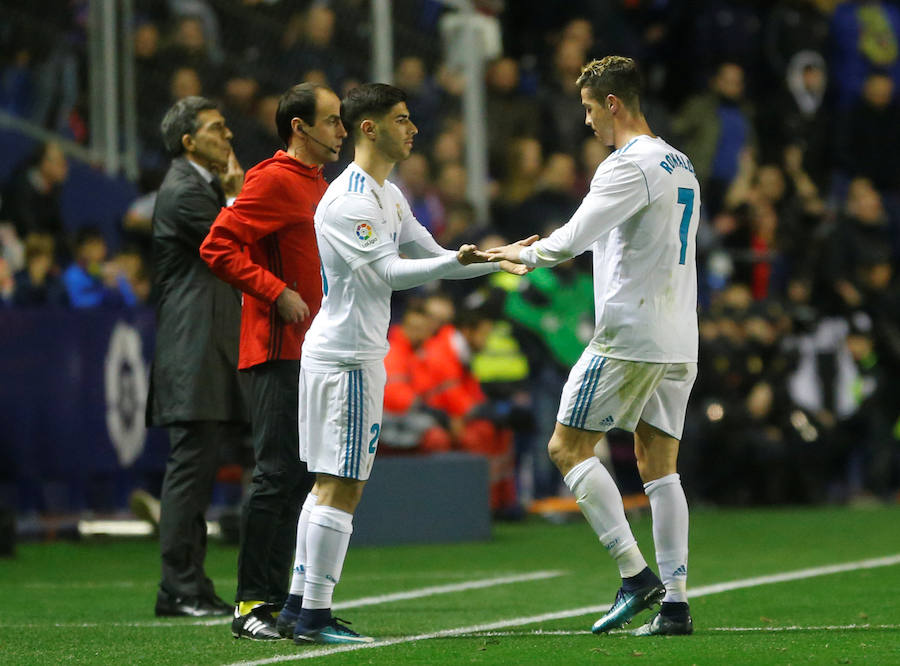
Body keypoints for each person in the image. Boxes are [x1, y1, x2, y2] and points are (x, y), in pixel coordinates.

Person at [280, 83, 529, 645]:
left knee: (330, 484)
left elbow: (434, 257)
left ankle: (298, 607)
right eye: (402, 118)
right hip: (345, 357)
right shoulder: (349, 201)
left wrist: (496, 261)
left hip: (352, 354)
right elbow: (390, 273)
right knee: (341, 484)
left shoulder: (388, 195)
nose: (413, 128)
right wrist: (459, 261)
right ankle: (314, 617)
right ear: (369, 128)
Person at [481, 56, 700, 637]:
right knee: (660, 468)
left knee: (567, 447)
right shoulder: (681, 164)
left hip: (631, 334)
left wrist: (518, 254)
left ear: (612, 104)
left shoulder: (628, 164)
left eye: (587, 108)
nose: (585, 122)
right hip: (679, 338)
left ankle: (634, 575)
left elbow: (573, 239)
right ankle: (676, 605)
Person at [199, 82, 346, 640]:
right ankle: (249, 606)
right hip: (276, 347)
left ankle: (282, 601)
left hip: (311, 350)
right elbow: (218, 245)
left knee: (297, 478)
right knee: (277, 473)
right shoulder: (273, 179)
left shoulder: (318, 184)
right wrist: (274, 290)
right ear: (299, 128)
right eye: (331, 121)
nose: (341, 131)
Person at [146, 96, 248, 618]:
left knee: (203, 469)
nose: (227, 137)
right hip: (193, 349)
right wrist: (234, 199)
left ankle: (194, 583)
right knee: (190, 472)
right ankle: (178, 588)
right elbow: (228, 249)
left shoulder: (199, 186)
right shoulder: (185, 191)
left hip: (211, 347)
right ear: (189, 141)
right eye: (216, 128)